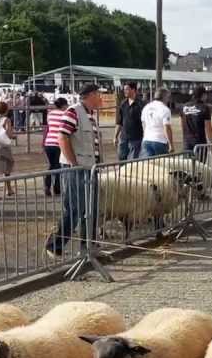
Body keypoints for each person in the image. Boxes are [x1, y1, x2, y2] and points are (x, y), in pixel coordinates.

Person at [46, 85, 103, 258]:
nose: (100, 98)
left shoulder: (89, 115)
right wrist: (73, 163)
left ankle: (88, 246)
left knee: (90, 208)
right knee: (75, 208)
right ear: (91, 95)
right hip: (77, 168)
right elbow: (62, 137)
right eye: (98, 94)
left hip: (89, 168)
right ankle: (54, 244)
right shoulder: (73, 112)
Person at [43, 97, 72, 196]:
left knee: (51, 165)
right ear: (64, 105)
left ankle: (47, 185)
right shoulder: (65, 114)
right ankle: (57, 188)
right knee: (58, 166)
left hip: (48, 142)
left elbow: (49, 127)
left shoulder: (50, 114)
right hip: (58, 142)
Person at [181, 86, 212, 158]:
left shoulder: (184, 106)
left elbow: (182, 124)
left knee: (187, 166)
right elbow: (208, 128)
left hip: (187, 141)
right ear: (203, 95)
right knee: (200, 166)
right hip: (200, 141)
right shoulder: (204, 107)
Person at [114, 81, 143, 161]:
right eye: (124, 89)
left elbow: (145, 122)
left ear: (133, 90)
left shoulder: (141, 104)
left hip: (136, 139)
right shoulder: (123, 103)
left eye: (127, 89)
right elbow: (119, 122)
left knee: (133, 163)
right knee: (121, 160)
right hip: (123, 139)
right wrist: (115, 136)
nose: (125, 91)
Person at [141, 88, 174, 156]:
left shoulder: (146, 107)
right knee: (162, 165)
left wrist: (146, 135)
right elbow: (167, 128)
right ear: (164, 97)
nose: (168, 99)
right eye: (168, 97)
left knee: (149, 165)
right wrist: (171, 144)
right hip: (160, 141)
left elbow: (144, 124)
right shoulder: (165, 109)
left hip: (147, 140)